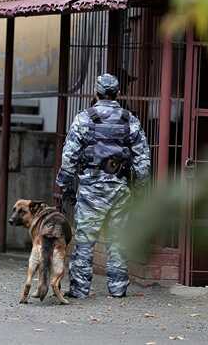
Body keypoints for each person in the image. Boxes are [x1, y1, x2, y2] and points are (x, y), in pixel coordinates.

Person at [55, 73, 151, 299]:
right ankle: (118, 289)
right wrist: (139, 190)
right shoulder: (130, 120)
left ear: (96, 93)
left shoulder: (84, 119)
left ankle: (79, 290)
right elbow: (143, 161)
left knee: (85, 242)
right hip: (120, 189)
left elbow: (69, 158)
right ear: (118, 93)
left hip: (91, 190)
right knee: (118, 241)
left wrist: (65, 186)